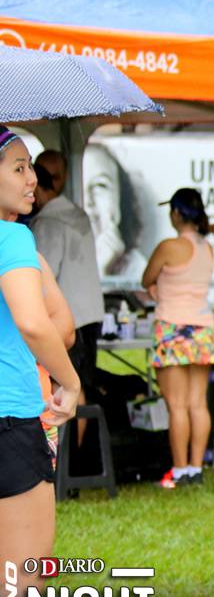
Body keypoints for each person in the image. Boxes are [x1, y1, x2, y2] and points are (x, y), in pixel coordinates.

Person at [0, 127, 80, 597]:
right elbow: (41, 324)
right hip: (10, 419)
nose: (33, 179)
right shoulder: (12, 240)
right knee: (23, 579)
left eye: (31, 166)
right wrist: (70, 381)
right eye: (19, 168)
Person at [141, 187, 214, 489]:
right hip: (203, 328)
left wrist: (157, 287)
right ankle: (196, 468)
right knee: (198, 404)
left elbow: (146, 278)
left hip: (172, 328)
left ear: (176, 213)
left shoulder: (169, 246)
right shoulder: (207, 248)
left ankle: (179, 469)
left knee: (176, 406)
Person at [30, 161, 103, 445]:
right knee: (80, 385)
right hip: (90, 313)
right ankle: (77, 458)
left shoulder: (48, 222)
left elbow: (38, 277)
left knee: (65, 386)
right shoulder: (77, 213)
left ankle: (69, 458)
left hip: (65, 319)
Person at [83, 141, 146, 281]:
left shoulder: (136, 267)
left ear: (121, 198)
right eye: (78, 185)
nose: (87, 201)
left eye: (100, 185)